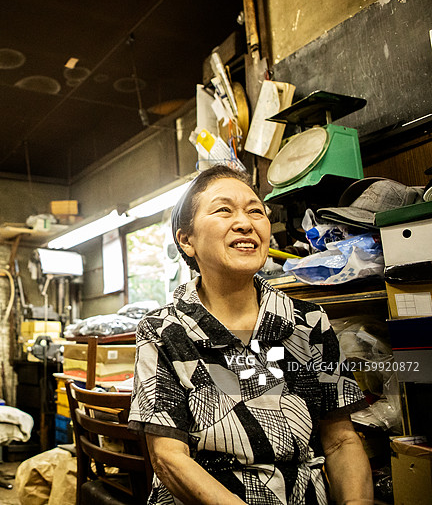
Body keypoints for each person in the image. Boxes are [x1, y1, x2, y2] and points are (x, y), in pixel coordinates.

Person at [128, 165, 373, 504]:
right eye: (224, 210)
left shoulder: (308, 322)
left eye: (255, 211)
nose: (245, 222)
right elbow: (170, 458)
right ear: (187, 240)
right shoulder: (163, 332)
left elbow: (340, 441)